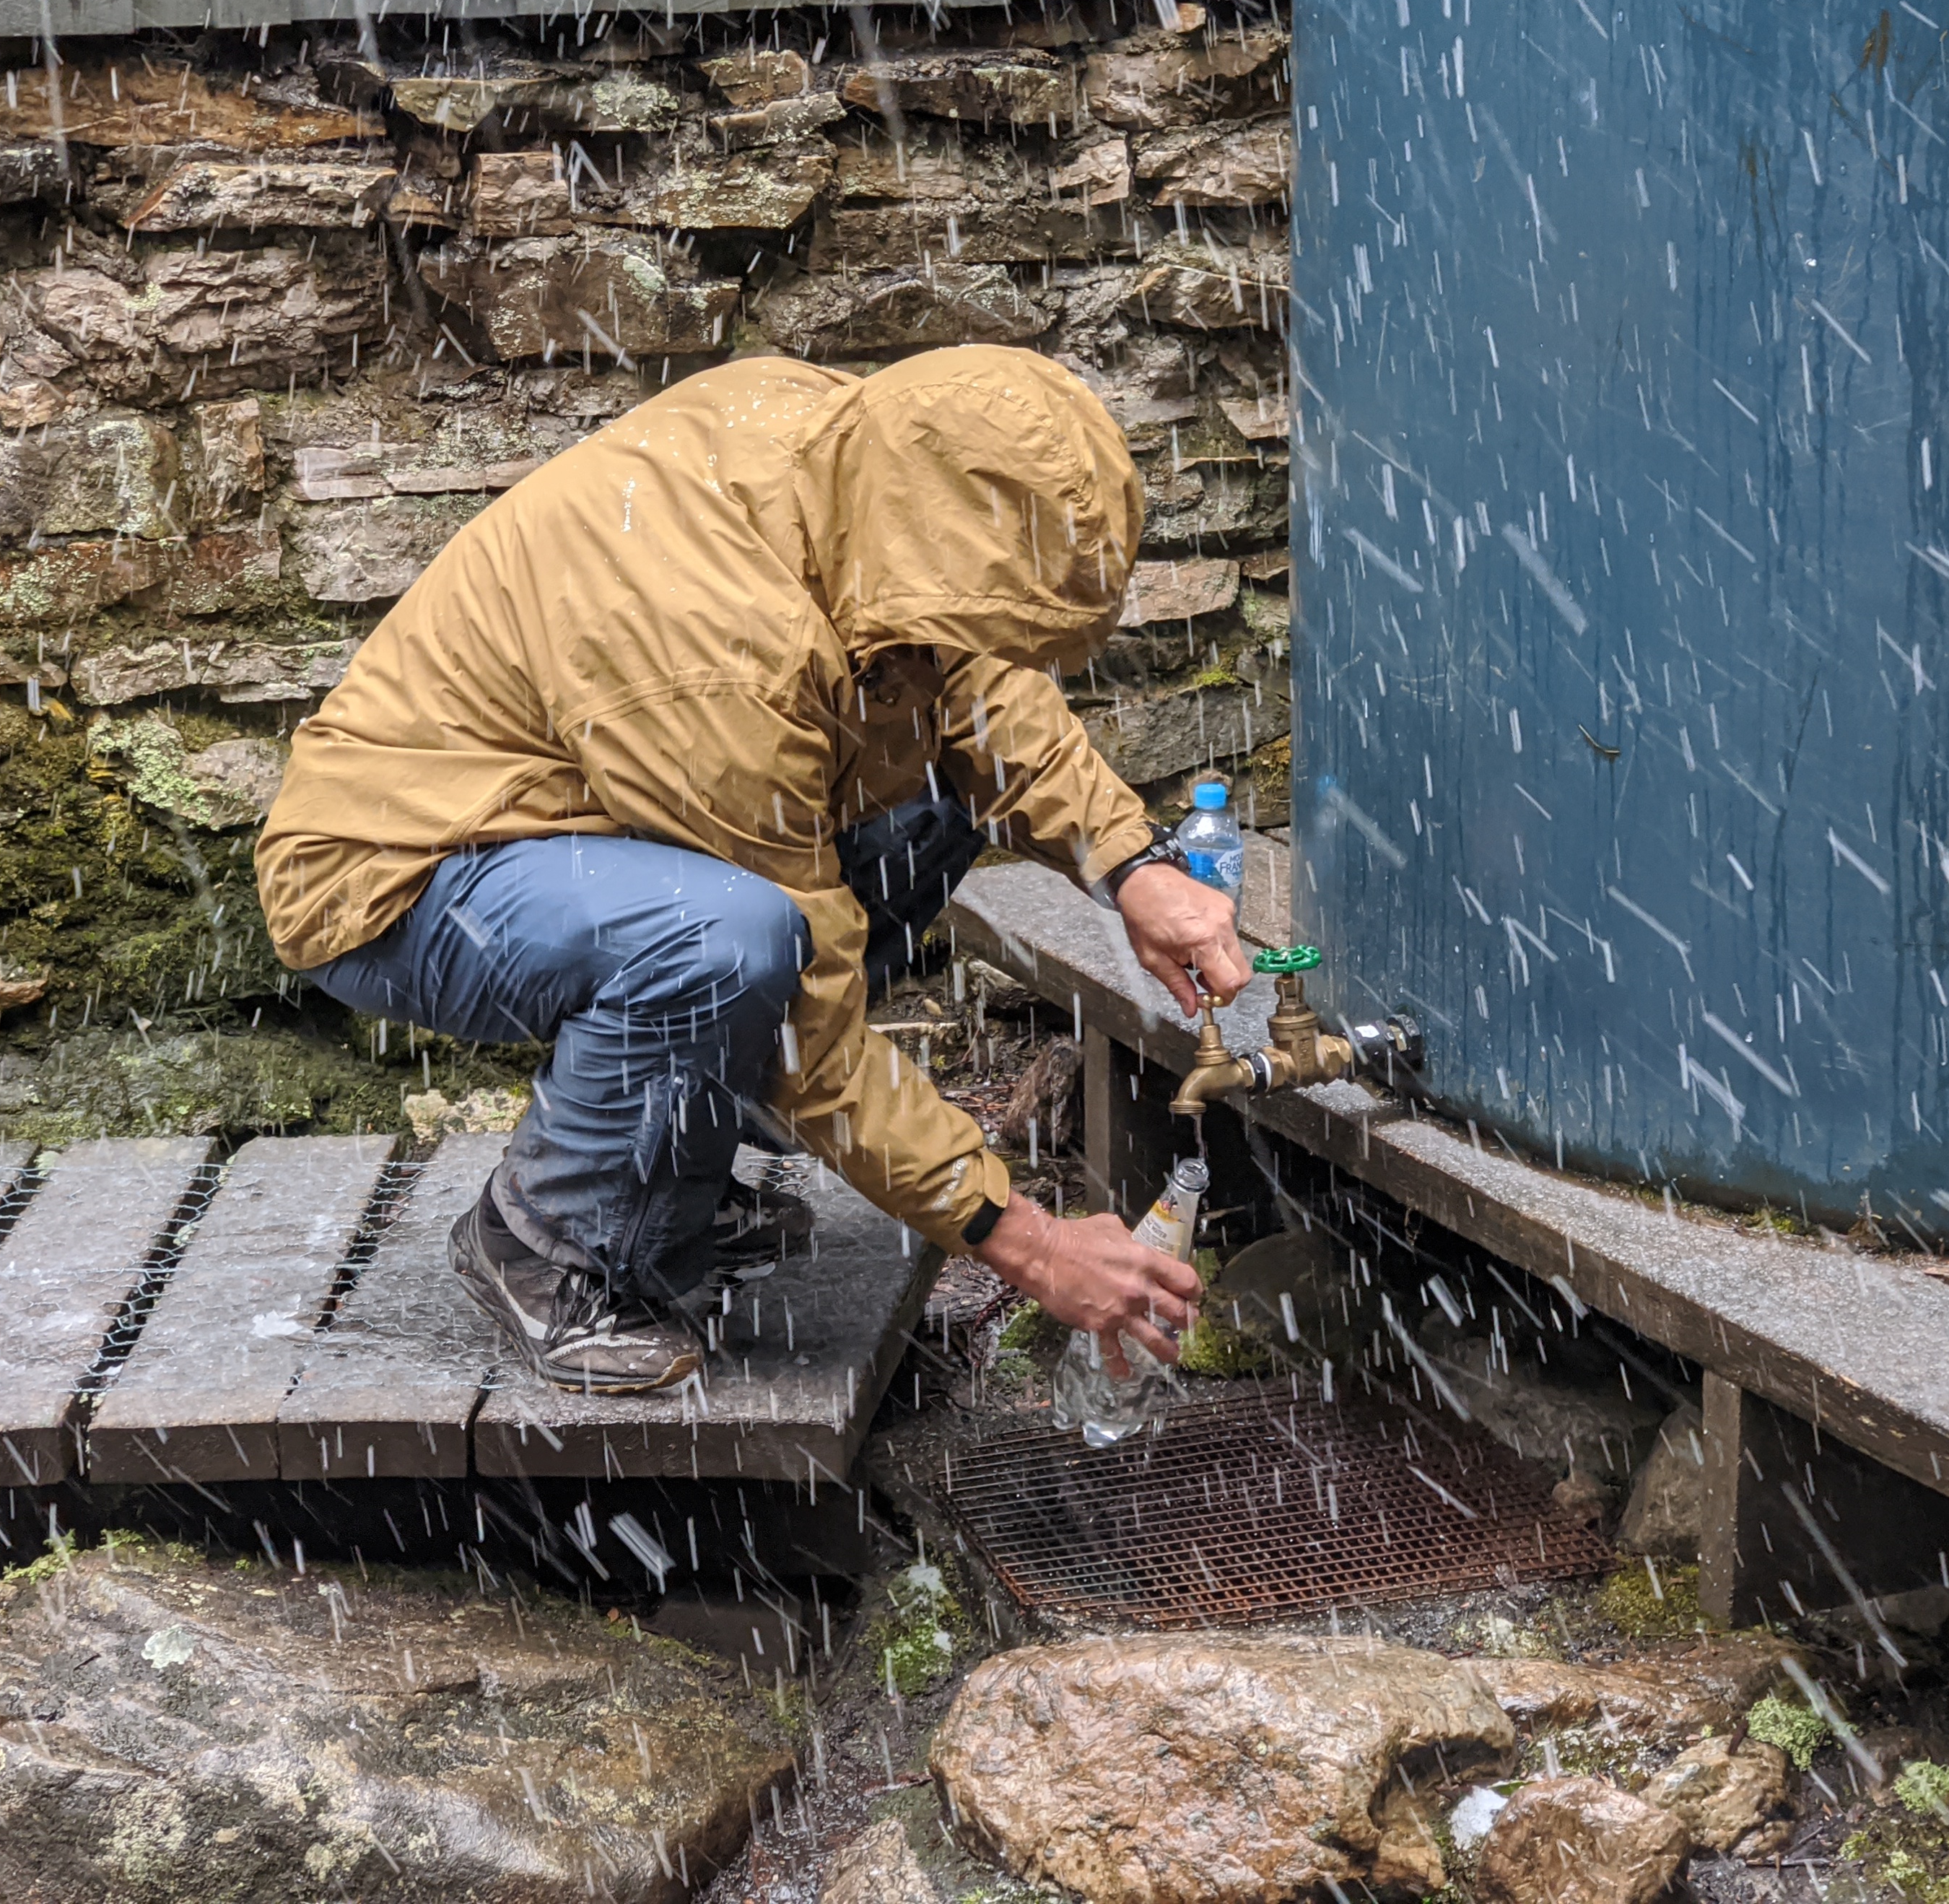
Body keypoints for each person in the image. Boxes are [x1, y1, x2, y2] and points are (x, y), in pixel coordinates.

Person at [254, 347, 1251, 1393]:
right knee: (732, 942)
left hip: (594, 830)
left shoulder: (854, 450)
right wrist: (1025, 1241)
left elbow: (978, 680)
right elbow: (807, 1014)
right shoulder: (713, 645)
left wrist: (1130, 864)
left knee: (930, 806)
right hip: (406, 878)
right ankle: (546, 1244)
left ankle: (672, 1172)